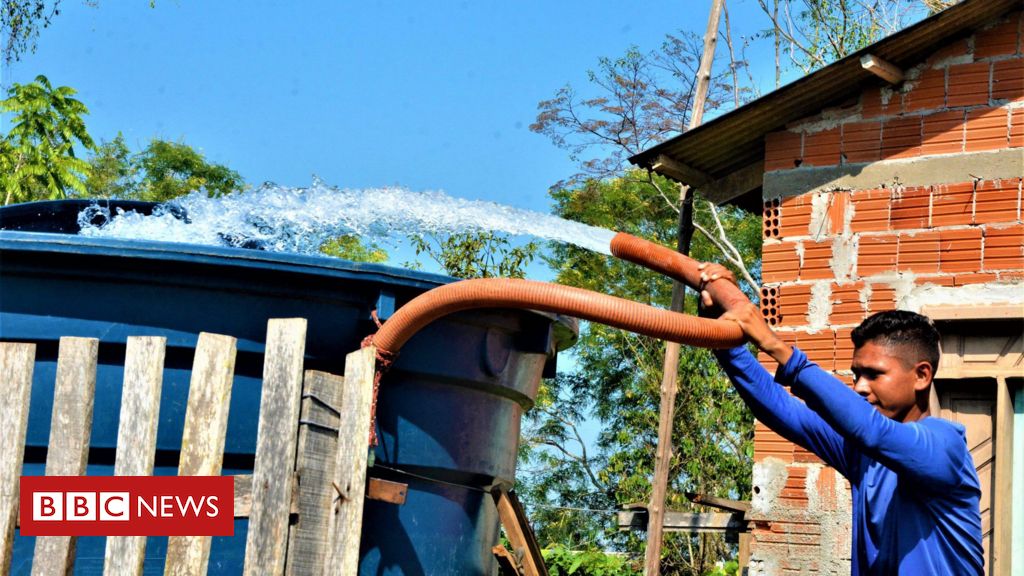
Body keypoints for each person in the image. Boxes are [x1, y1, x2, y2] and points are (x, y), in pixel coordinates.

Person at [697, 262, 983, 575]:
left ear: (921, 376)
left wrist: (777, 347)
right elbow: (782, 408)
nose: (860, 387)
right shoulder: (863, 456)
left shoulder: (944, 447)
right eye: (857, 374)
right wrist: (722, 336)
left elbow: (872, 431)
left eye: (874, 375)